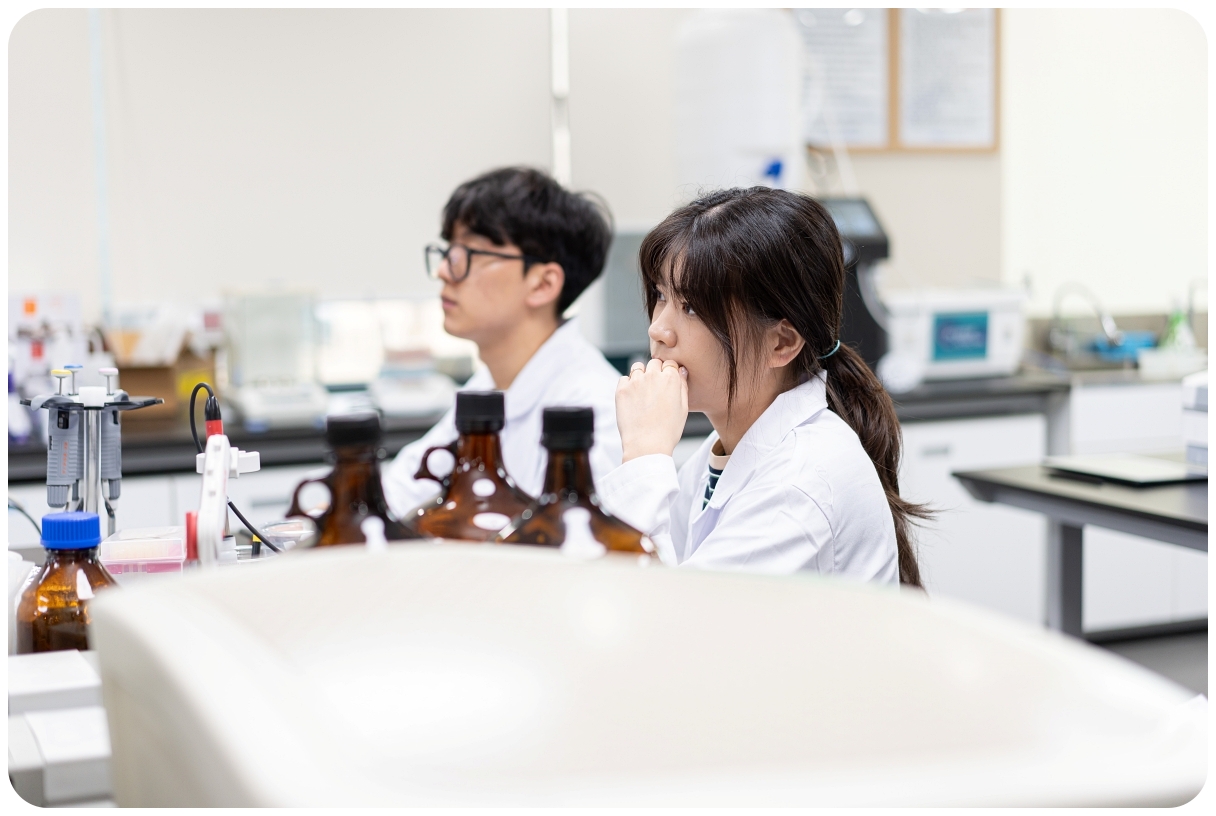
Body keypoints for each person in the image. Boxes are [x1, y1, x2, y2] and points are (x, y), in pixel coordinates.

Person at [596, 187, 926, 586]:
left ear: (781, 343)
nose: (658, 330)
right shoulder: (721, 451)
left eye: (692, 308)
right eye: (661, 295)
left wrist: (644, 455)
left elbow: (661, 609)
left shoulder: (801, 482)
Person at [383, 167, 623, 517]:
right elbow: (397, 495)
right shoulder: (489, 386)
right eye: (449, 251)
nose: (444, 271)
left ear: (543, 284)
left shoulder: (596, 413)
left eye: (471, 253)